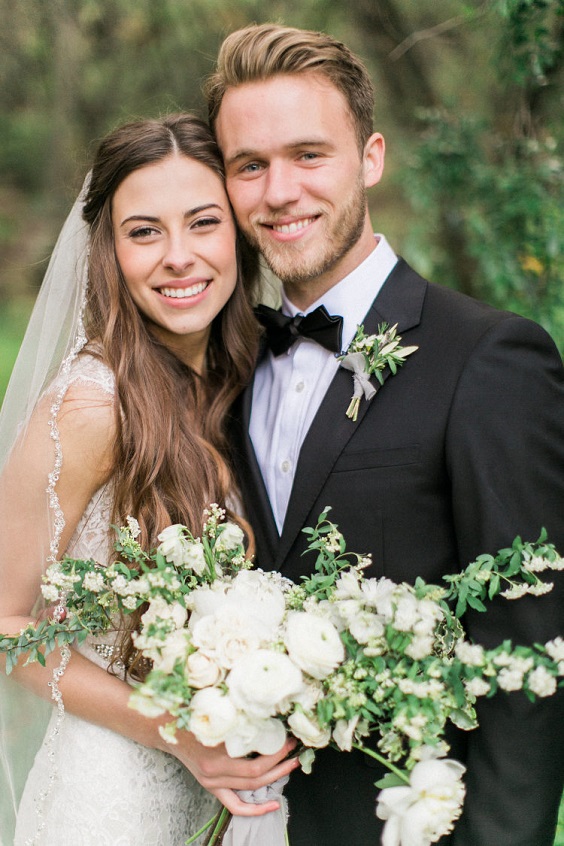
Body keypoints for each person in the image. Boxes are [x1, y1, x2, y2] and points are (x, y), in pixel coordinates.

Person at [204, 23, 564, 846]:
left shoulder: (489, 358)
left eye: (308, 155)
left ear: (370, 157)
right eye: (249, 166)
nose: (279, 192)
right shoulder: (216, 367)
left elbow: (531, 654)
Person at [0, 113, 299, 846]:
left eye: (203, 223)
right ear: (107, 250)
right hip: (112, 801)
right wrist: (176, 734)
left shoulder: (245, 382)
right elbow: (4, 623)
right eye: (144, 232)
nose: (178, 257)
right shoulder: (91, 404)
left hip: (228, 796)